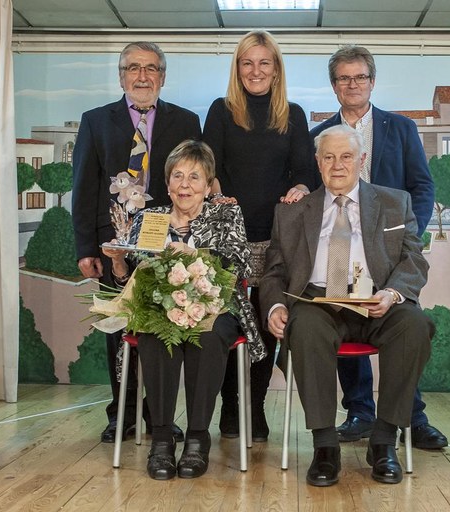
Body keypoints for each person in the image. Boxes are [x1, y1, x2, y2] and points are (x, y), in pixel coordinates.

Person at [261, 125, 434, 486]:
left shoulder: (393, 202)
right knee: (304, 326)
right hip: (318, 301)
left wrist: (392, 294)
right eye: (328, 157)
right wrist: (275, 307)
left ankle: (384, 441)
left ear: (361, 160)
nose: (337, 165)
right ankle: (325, 447)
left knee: (414, 325)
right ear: (317, 162)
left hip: (376, 300)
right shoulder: (292, 213)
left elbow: (414, 260)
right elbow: (274, 272)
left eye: (346, 156)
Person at [309, 44, 447, 450]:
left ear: (372, 81)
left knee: (403, 330)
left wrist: (408, 234)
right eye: (343, 78)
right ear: (334, 85)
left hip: (388, 252)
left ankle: (411, 417)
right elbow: (315, 189)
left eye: (360, 77)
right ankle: (359, 412)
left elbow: (421, 186)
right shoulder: (318, 136)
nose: (352, 84)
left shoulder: (400, 128)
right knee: (341, 322)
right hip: (338, 245)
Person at [102, 140, 265, 480]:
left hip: (216, 305)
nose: (185, 185)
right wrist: (119, 264)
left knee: (210, 334)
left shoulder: (226, 214)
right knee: (154, 330)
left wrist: (193, 257)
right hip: (161, 306)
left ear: (208, 186)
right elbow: (128, 284)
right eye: (178, 176)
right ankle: (161, 440)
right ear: (167, 183)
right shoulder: (150, 217)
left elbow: (240, 264)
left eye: (194, 177)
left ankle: (197, 439)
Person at [72, 42, 201, 444]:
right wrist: (86, 248)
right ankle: (122, 415)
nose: (142, 76)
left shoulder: (186, 121)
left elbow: (195, 185)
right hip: (114, 247)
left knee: (165, 330)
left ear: (162, 76)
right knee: (119, 333)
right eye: (133, 68)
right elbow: (84, 186)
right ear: (121, 76)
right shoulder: (95, 121)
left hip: (170, 243)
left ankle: (159, 415)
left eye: (150, 69)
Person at [202, 30, 317, 442]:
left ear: (276, 68)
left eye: (264, 62)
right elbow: (208, 166)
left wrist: (302, 187)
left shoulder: (294, 114)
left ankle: (255, 405)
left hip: (275, 238)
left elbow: (306, 172)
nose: (256, 70)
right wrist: (214, 186)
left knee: (267, 325)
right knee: (230, 320)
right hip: (229, 236)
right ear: (238, 68)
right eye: (247, 63)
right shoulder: (220, 111)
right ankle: (230, 409)